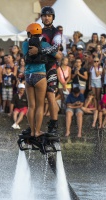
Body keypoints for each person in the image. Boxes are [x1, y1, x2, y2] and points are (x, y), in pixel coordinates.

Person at [26, 6, 62, 137]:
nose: (46, 18)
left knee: (50, 95)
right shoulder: (37, 30)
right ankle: (34, 128)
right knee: (34, 102)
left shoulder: (57, 31)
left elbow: (56, 48)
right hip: (38, 68)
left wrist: (39, 50)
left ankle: (54, 124)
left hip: (51, 67)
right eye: (44, 15)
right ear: (41, 17)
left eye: (49, 16)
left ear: (53, 17)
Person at [22, 22, 51, 138]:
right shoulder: (44, 44)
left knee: (31, 106)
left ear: (30, 33)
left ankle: (32, 131)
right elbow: (55, 53)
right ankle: (38, 131)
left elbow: (26, 54)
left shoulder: (24, 44)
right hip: (40, 75)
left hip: (28, 76)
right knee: (40, 106)